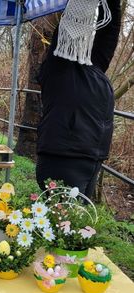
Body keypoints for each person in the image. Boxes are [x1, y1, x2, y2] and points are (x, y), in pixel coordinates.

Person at [36, 0, 121, 197]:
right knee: (64, 222)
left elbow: (109, 34)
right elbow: (68, 28)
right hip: (63, 158)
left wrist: (112, 4)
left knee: (77, 222)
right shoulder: (58, 68)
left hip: (90, 158)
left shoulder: (93, 67)